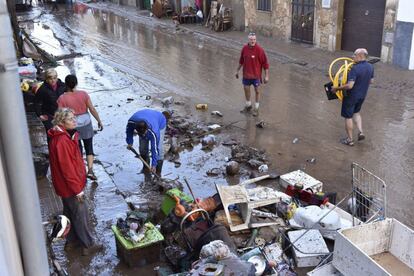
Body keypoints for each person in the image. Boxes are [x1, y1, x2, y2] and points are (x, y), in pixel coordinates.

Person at [48, 108, 102, 256]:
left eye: (74, 118)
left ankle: (72, 242)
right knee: (80, 214)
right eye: (71, 119)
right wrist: (77, 189)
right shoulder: (62, 141)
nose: (75, 121)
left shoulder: (63, 137)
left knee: (69, 214)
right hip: (70, 187)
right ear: (61, 122)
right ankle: (88, 244)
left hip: (65, 187)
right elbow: (67, 169)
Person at [57, 75, 103, 180]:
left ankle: (80, 170)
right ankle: (90, 170)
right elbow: (91, 108)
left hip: (72, 125)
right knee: (89, 147)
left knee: (77, 149)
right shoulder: (83, 94)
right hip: (86, 122)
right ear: (76, 83)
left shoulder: (62, 98)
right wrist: (99, 121)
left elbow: (60, 115)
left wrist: (60, 128)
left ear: (66, 84)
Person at [333, 48, 374, 146]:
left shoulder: (354, 69)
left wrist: (337, 88)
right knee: (356, 112)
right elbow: (371, 81)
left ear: (360, 56)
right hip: (362, 96)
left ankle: (349, 140)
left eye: (354, 55)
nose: (352, 56)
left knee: (348, 117)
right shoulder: (370, 67)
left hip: (351, 96)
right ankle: (361, 132)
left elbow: (350, 86)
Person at [126, 109, 170, 182]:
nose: (143, 135)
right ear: (136, 129)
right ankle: (146, 168)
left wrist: (154, 164)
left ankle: (158, 173)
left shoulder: (154, 131)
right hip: (145, 116)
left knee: (159, 148)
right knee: (142, 148)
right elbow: (128, 131)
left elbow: (154, 149)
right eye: (140, 134)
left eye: (144, 133)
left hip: (160, 122)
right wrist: (130, 142)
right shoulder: (132, 122)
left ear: (147, 129)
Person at [235, 32, 269, 117]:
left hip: (256, 76)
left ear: (256, 40)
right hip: (246, 75)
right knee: (246, 89)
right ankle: (248, 106)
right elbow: (241, 61)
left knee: (257, 91)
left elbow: (265, 64)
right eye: (251, 39)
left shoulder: (260, 50)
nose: (252, 41)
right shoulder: (244, 48)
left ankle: (256, 108)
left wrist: (267, 76)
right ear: (248, 40)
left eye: (254, 39)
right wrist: (237, 70)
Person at [34, 68, 66, 142]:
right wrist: (40, 114)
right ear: (46, 79)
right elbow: (37, 102)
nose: (53, 80)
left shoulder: (62, 85)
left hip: (61, 113)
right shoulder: (43, 89)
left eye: (55, 78)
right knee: (51, 135)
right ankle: (52, 152)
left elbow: (69, 93)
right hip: (48, 114)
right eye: (50, 78)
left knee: (63, 134)